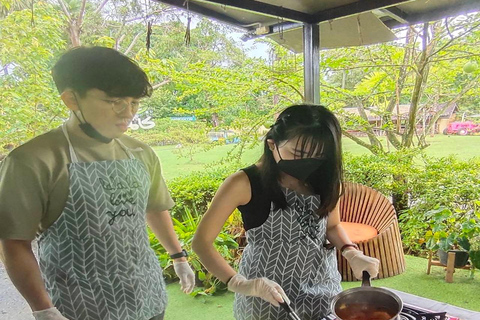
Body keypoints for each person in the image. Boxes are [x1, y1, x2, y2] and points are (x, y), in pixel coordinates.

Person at [0, 46, 195, 320]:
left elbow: (154, 207)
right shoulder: (33, 160)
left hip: (147, 295)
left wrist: (179, 257)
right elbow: (13, 243)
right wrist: (42, 308)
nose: (127, 113)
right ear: (71, 99)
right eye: (115, 101)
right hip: (79, 306)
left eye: (134, 102)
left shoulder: (140, 153)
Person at [192, 104, 380, 320]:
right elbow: (201, 242)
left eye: (318, 156)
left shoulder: (325, 178)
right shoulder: (244, 183)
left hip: (322, 292)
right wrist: (240, 283)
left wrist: (351, 252)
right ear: (272, 144)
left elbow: (332, 225)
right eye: (298, 153)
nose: (307, 162)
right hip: (266, 298)